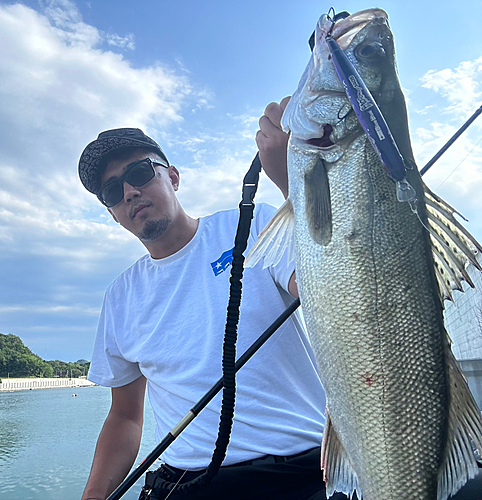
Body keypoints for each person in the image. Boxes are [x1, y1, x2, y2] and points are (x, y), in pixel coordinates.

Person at [78, 99, 337, 500]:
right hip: (188, 483)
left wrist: (294, 181)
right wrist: (93, 494)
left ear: (174, 177)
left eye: (140, 173)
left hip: (306, 471)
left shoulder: (252, 226)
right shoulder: (119, 297)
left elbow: (335, 295)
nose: (129, 191)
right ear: (112, 213)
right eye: (112, 191)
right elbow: (126, 416)